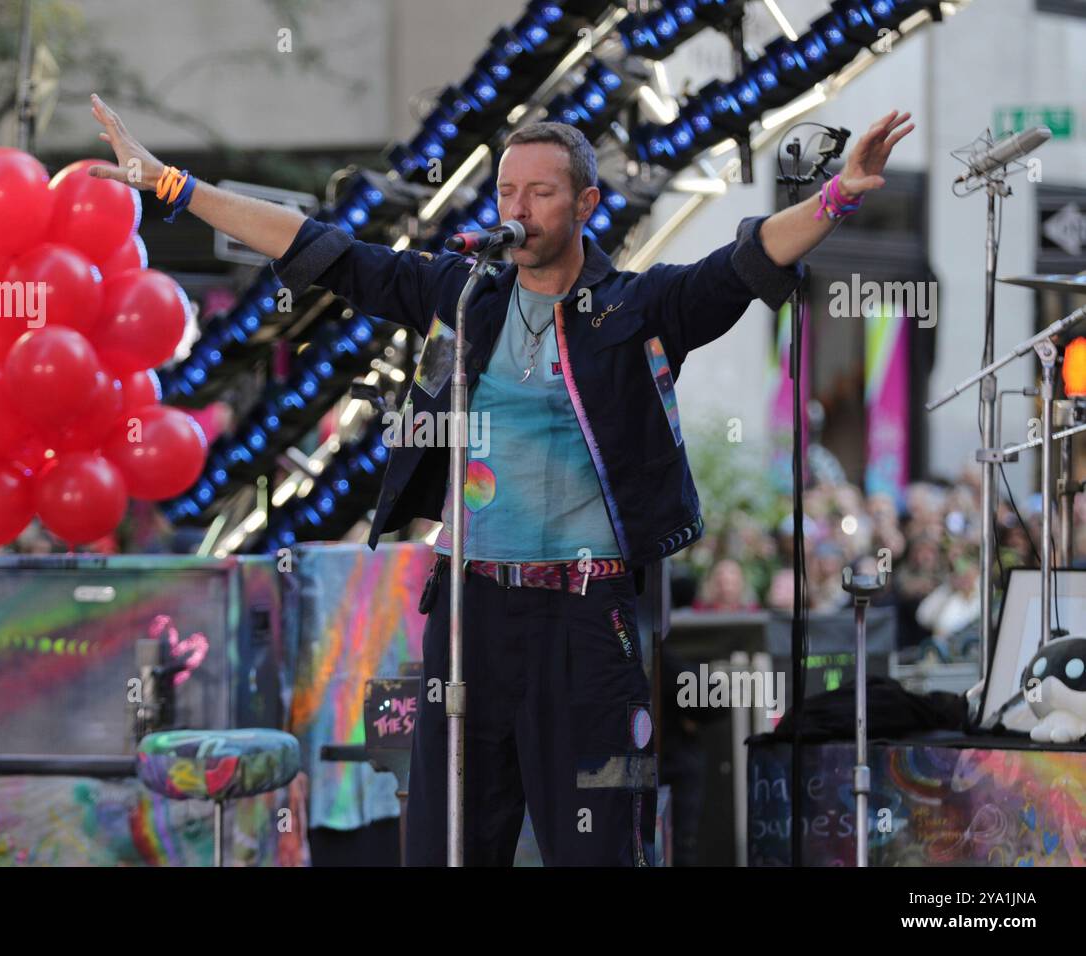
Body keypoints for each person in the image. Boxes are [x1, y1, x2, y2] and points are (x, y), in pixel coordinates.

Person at [87, 94, 913, 866]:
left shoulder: (635, 309)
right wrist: (170, 184)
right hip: (470, 609)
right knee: (447, 841)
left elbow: (741, 263)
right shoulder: (466, 295)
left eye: (540, 193)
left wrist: (838, 195)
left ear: (586, 206)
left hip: (587, 620)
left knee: (597, 845)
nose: (515, 209)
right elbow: (322, 250)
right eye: (506, 191)